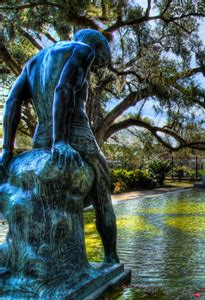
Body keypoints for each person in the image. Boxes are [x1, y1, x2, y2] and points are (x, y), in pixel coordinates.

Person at [0, 29, 119, 263]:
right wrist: (61, 140)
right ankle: (111, 258)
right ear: (95, 48)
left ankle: (50, 257)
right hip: (75, 134)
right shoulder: (83, 50)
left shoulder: (33, 62)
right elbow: (63, 88)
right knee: (103, 194)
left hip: (40, 138)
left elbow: (12, 101)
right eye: (97, 64)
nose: (93, 68)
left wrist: (7, 150)